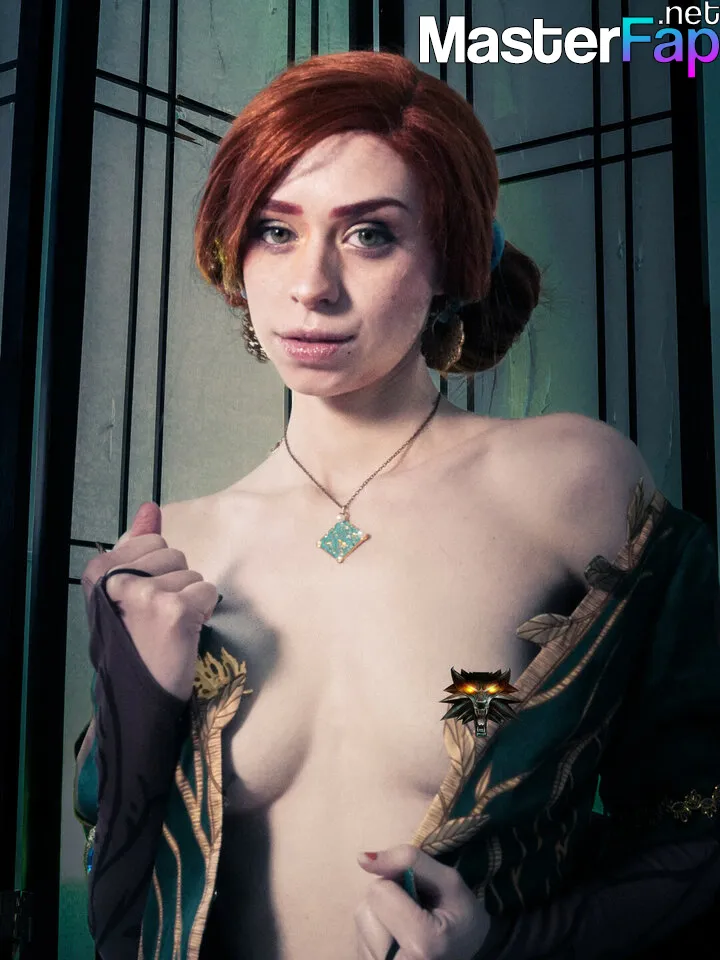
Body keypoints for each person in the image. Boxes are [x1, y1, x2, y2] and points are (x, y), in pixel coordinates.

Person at [74, 51, 720, 960]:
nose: (312, 285)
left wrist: (507, 947)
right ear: (233, 253)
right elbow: (118, 914)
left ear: (454, 260)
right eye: (275, 230)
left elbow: (698, 818)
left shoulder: (570, 481)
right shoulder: (174, 546)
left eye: (370, 234)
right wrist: (139, 689)